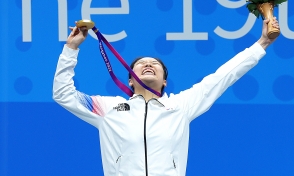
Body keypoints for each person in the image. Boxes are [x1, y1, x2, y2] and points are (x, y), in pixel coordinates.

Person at [53, 18, 280, 176]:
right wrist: (71, 49)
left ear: (164, 81)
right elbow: (63, 94)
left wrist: (262, 44)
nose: (148, 64)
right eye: (141, 64)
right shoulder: (108, 108)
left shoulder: (180, 105)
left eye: (155, 64)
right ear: (130, 80)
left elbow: (223, 76)